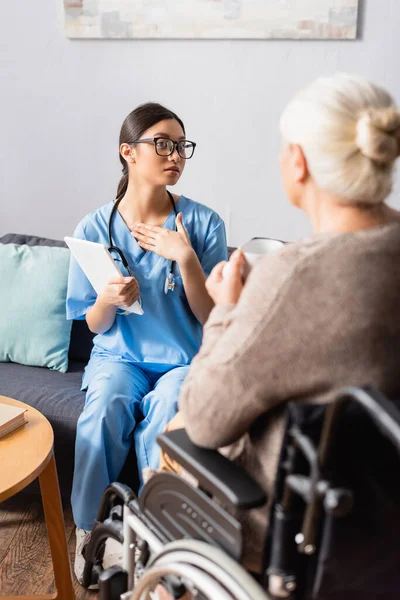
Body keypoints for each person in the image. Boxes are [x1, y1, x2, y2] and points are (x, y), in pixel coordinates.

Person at [163, 73, 400, 575]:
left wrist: (227, 310)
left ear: (298, 161)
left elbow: (206, 419)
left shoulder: (293, 276)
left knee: (176, 436)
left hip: (293, 531)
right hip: (383, 522)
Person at [66, 102, 227, 584]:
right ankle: (86, 531)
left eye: (181, 146)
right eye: (162, 143)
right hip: (119, 357)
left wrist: (186, 259)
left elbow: (213, 317)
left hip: (181, 359)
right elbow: (93, 326)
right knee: (106, 405)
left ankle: (155, 539)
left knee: (169, 411)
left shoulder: (203, 225)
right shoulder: (94, 229)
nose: (175, 154)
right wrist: (109, 300)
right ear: (128, 152)